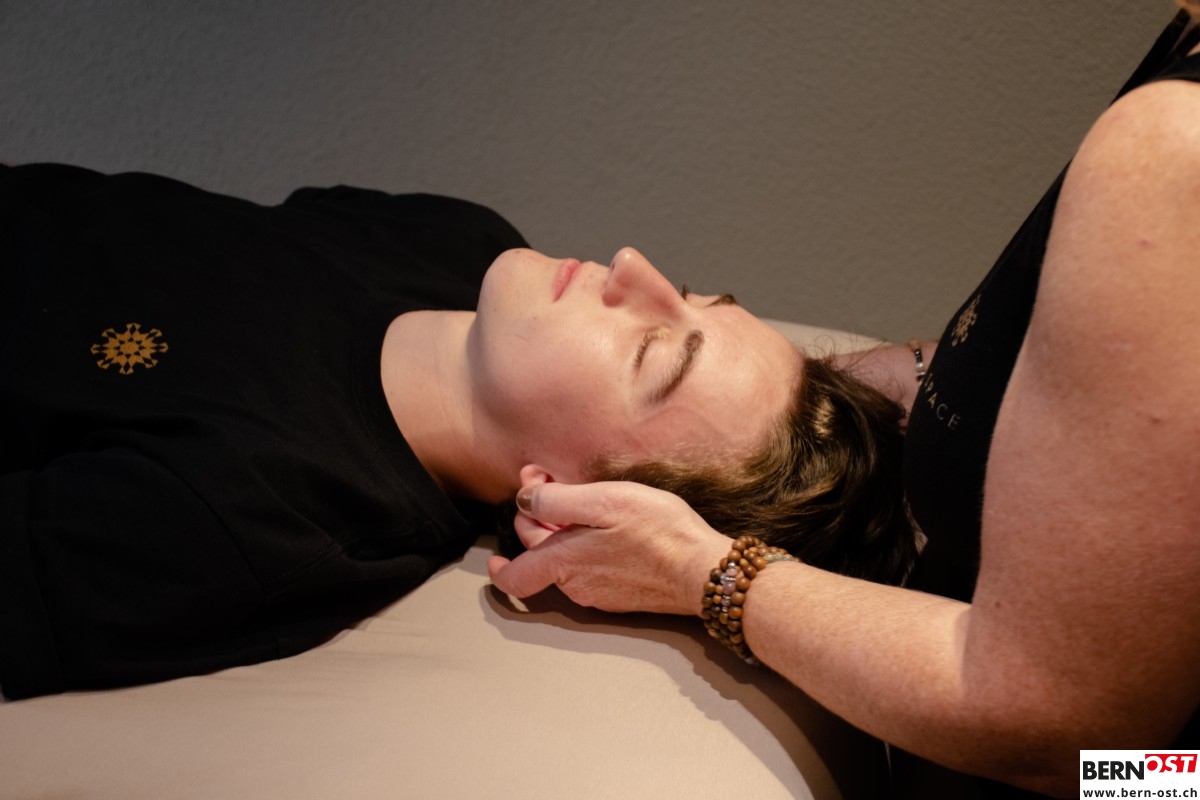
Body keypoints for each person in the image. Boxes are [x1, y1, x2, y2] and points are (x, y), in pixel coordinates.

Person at [489, 7, 1200, 798]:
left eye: (659, 352)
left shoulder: (1174, 148)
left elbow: (1097, 756)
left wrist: (701, 572)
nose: (631, 260)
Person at [0, 163, 916, 699]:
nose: (633, 266)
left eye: (650, 351)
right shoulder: (455, 239)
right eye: (689, 293)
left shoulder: (254, 516)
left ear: (572, 506)